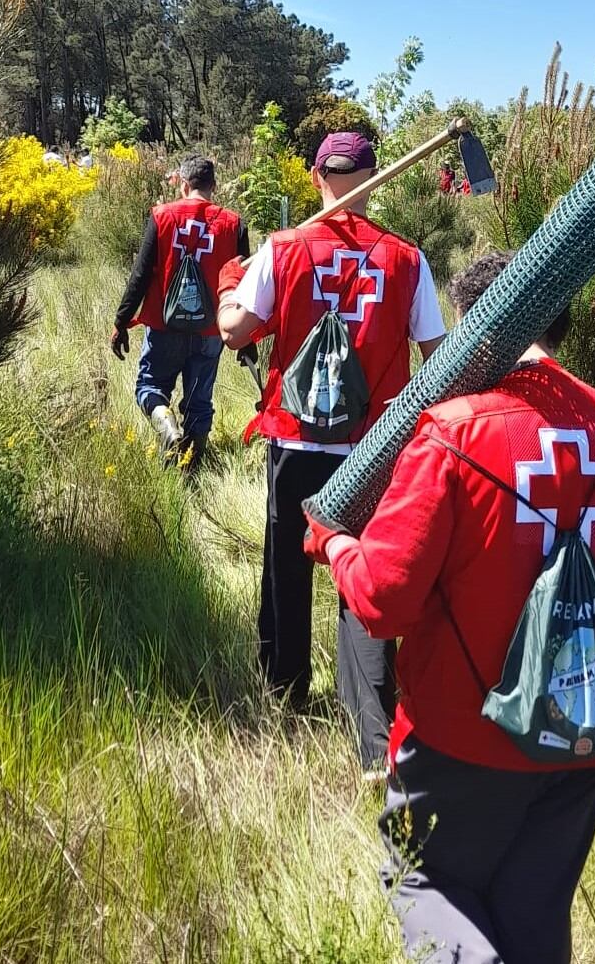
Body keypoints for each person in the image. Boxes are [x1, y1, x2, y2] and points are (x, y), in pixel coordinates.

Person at [302, 250, 595, 963]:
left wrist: (333, 544)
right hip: (585, 737)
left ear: (473, 327)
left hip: (460, 742)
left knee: (425, 881)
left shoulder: (451, 431)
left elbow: (382, 601)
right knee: (534, 914)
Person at [218, 131, 447, 770]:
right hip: (374, 450)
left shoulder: (284, 250)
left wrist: (232, 284)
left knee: (286, 570)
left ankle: (284, 692)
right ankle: (374, 736)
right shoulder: (407, 259)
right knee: (365, 581)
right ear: (374, 178)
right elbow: (439, 358)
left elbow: (234, 331)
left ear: (318, 178)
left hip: (296, 441)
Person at [111, 155, 249, 470]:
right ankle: (192, 468)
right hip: (211, 331)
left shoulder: (162, 216)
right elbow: (244, 286)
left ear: (184, 185)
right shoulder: (233, 224)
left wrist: (121, 322)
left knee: (150, 387)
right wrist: (246, 340)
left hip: (164, 326)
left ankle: (167, 427)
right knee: (200, 402)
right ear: (213, 187)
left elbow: (140, 275)